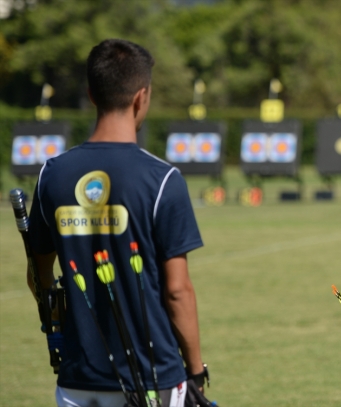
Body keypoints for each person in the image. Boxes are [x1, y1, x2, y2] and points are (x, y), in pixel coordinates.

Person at [27, 39, 214, 407]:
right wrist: (195, 369)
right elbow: (177, 291)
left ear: (91, 94)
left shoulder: (52, 175)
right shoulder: (162, 179)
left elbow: (40, 278)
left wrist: (62, 325)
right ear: (141, 97)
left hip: (78, 380)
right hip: (155, 379)